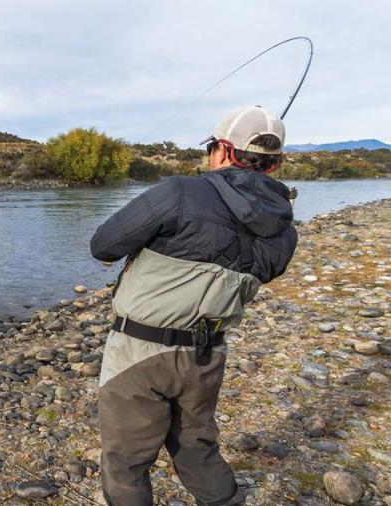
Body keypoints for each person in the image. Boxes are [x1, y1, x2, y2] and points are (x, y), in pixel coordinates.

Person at [90, 105, 298, 506]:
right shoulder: (285, 231)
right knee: (197, 450)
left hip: (138, 352)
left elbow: (103, 245)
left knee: (126, 463)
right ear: (276, 164)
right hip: (206, 356)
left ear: (221, 150)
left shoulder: (179, 192)